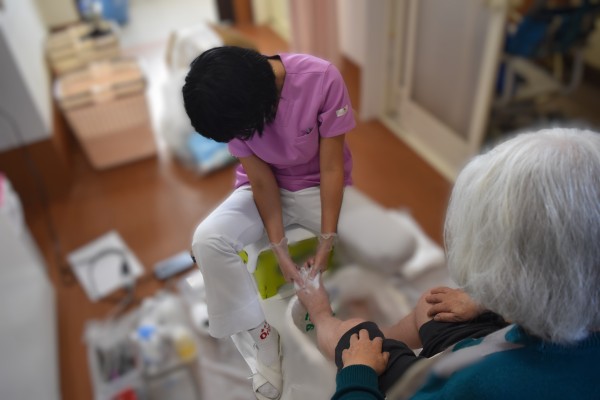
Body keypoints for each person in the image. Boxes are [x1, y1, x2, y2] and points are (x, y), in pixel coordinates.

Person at [182, 46, 417, 400]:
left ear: (260, 101)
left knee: (397, 246)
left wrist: (326, 240)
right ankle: (263, 338)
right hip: (258, 190)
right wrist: (278, 248)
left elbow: (332, 168)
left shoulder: (321, 79)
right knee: (206, 240)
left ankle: (377, 296)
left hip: (315, 185)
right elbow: (262, 182)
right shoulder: (232, 106)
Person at [297, 128, 600, 399]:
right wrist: (486, 302)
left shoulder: (476, 387)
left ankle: (323, 316)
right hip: (513, 345)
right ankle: (382, 340)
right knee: (432, 306)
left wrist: (358, 372)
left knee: (353, 333)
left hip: (464, 372)